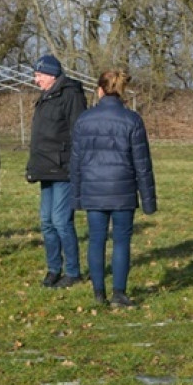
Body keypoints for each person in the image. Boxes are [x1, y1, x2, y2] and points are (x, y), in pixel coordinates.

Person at [71, 71, 156, 307]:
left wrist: (76, 197)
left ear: (99, 90)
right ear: (122, 91)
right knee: (121, 242)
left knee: (96, 241)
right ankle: (119, 293)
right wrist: (148, 200)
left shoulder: (84, 120)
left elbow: (76, 161)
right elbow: (143, 163)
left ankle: (99, 293)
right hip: (123, 189)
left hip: (93, 190)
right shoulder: (132, 120)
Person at [26, 54, 87, 288]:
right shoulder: (45, 97)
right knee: (46, 222)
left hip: (63, 169)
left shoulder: (71, 95)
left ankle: (73, 271)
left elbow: (78, 132)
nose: (36, 80)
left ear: (51, 74)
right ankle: (53, 269)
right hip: (44, 168)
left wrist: (76, 166)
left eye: (39, 75)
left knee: (61, 221)